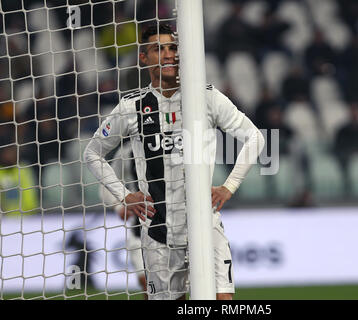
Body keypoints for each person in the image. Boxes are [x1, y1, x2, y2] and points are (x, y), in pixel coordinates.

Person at [84, 24, 265, 300]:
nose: (168, 55)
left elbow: (256, 138)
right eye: (159, 48)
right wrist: (123, 196)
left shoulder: (206, 97)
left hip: (205, 227)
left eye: (173, 48)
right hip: (157, 236)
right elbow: (92, 153)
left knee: (223, 300)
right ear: (144, 58)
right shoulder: (131, 107)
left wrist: (229, 186)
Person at [97, 141, 147, 299]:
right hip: (140, 227)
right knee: (148, 284)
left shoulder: (175, 145)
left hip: (177, 224)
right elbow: (106, 183)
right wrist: (118, 206)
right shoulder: (127, 152)